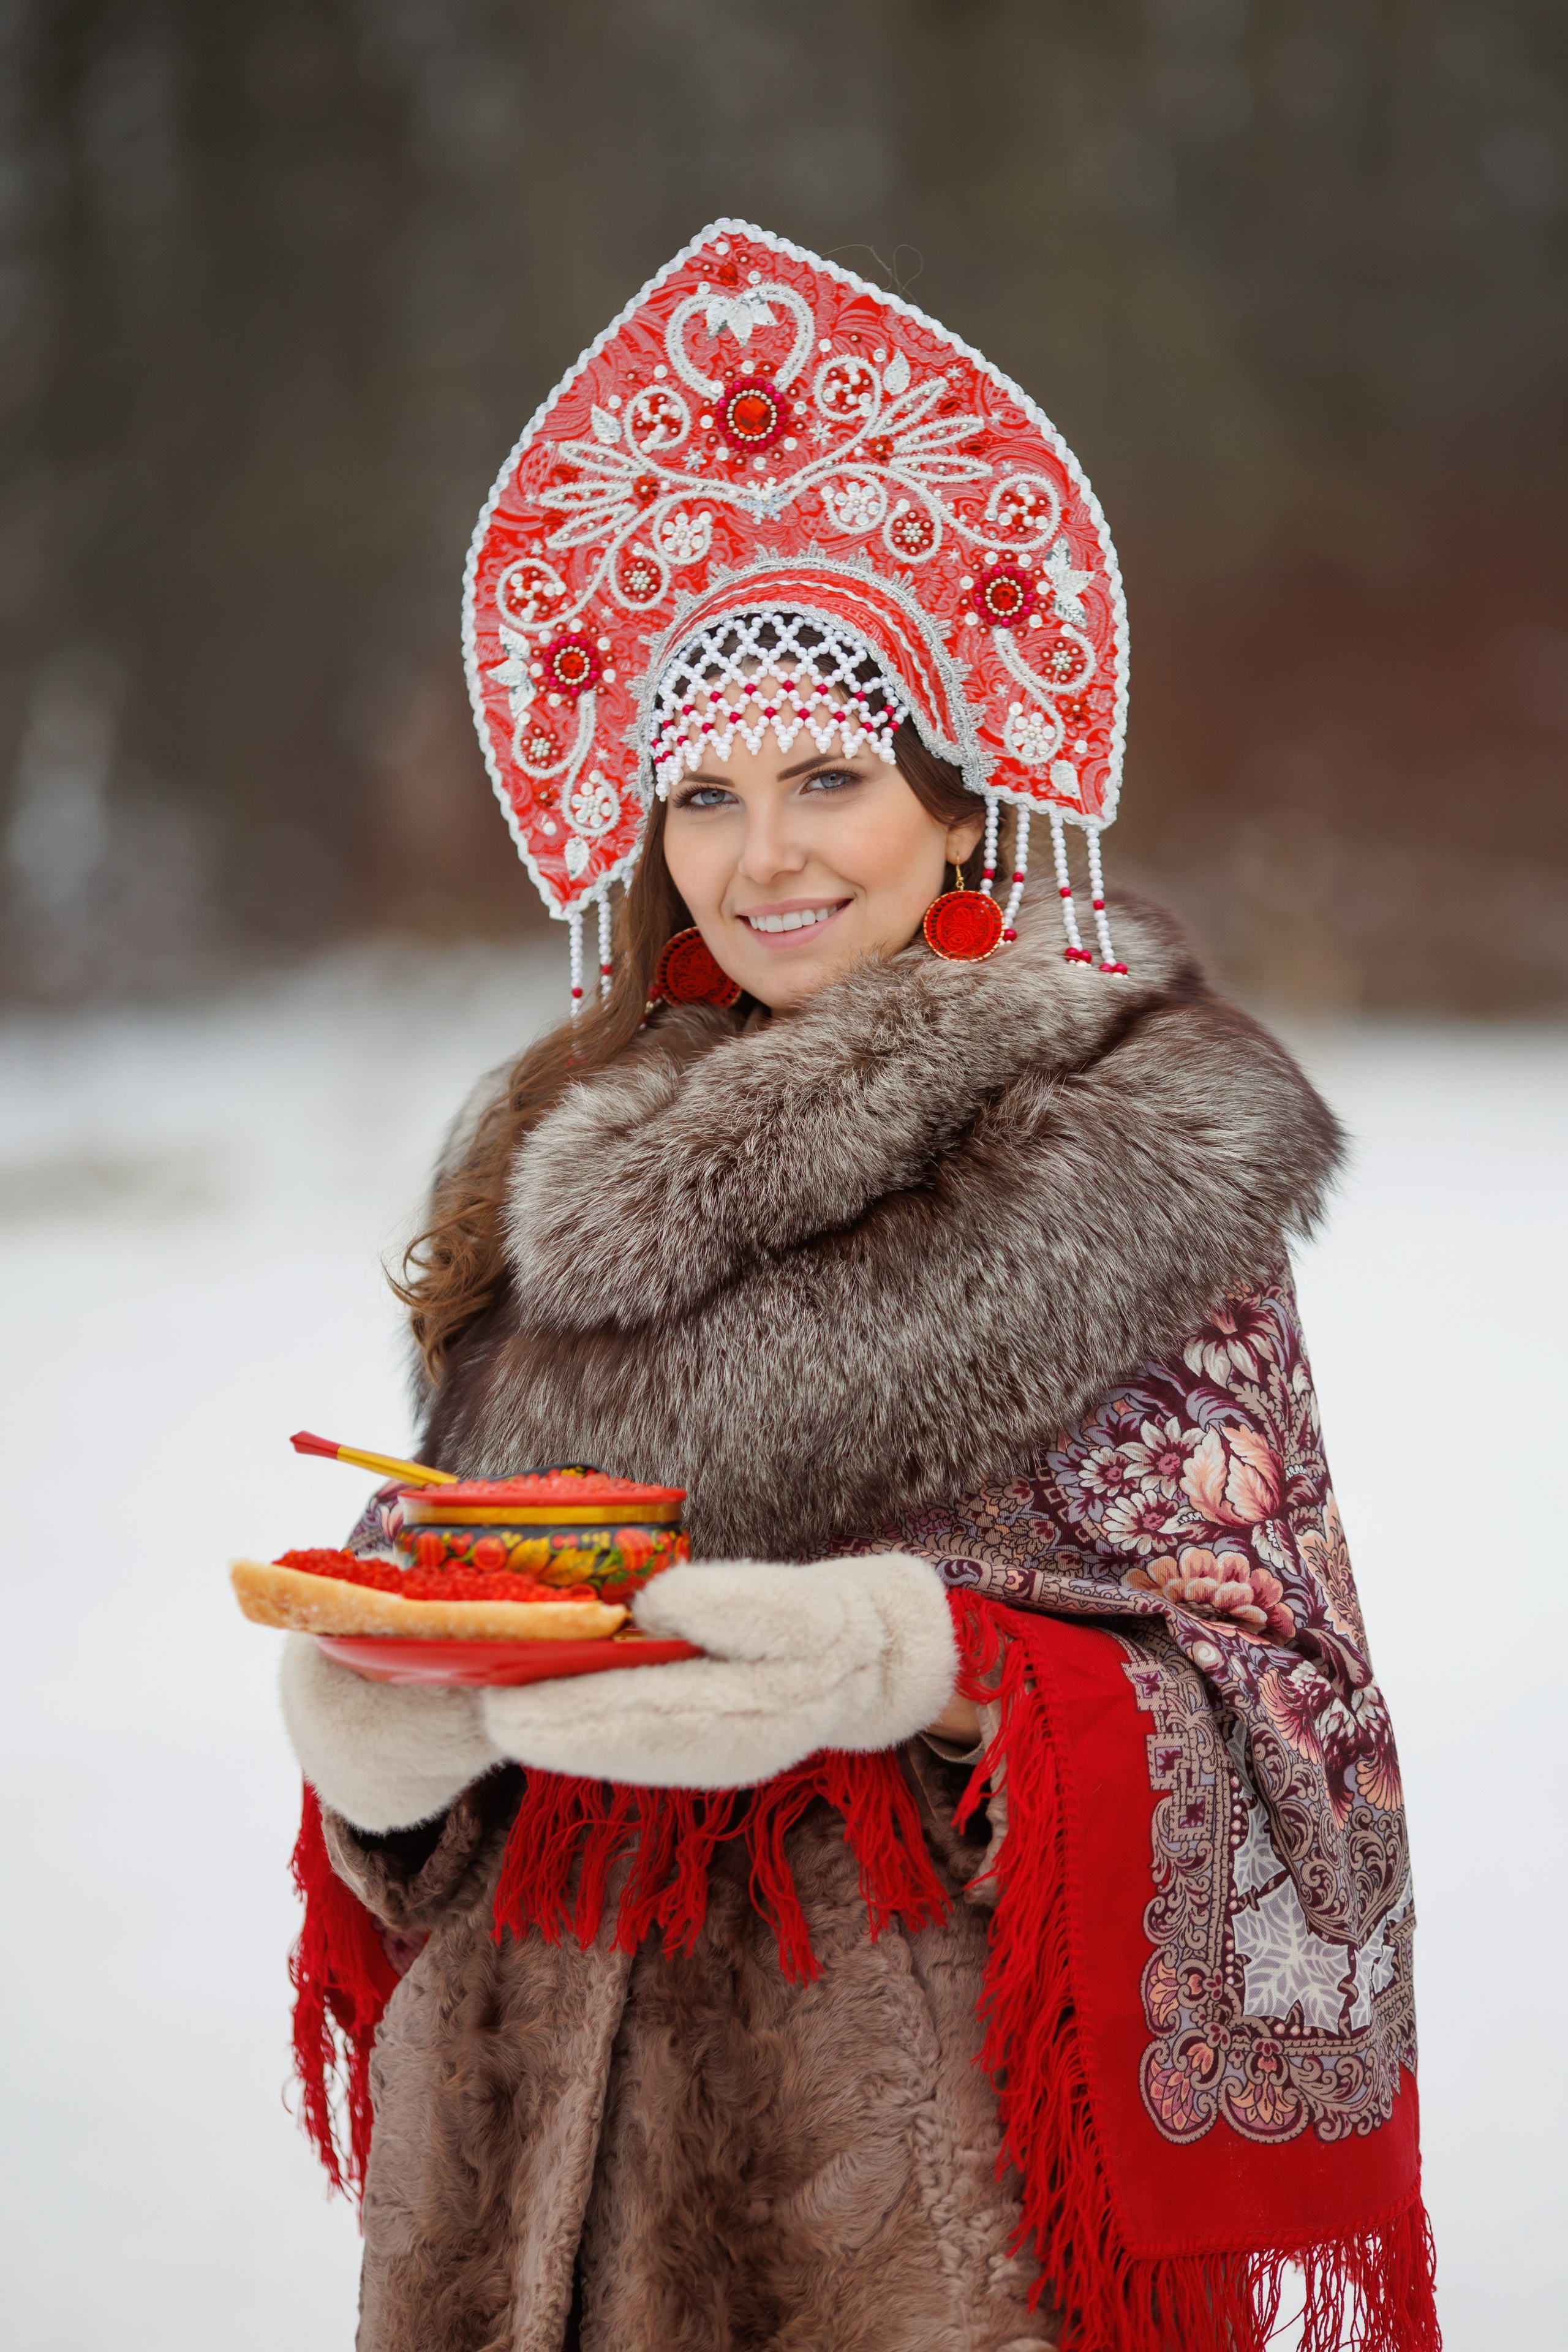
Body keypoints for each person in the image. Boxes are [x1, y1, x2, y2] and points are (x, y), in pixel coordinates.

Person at [277, 224, 1438, 2352]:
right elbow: (477, 1600)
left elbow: (1291, 1711)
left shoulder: (1134, 1157)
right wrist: (379, 1753)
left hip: (910, 2189)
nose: (763, 856)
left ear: (953, 804)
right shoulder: (561, 1153)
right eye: (702, 798)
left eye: (829, 777)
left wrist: (904, 1659)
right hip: (524, 2170)